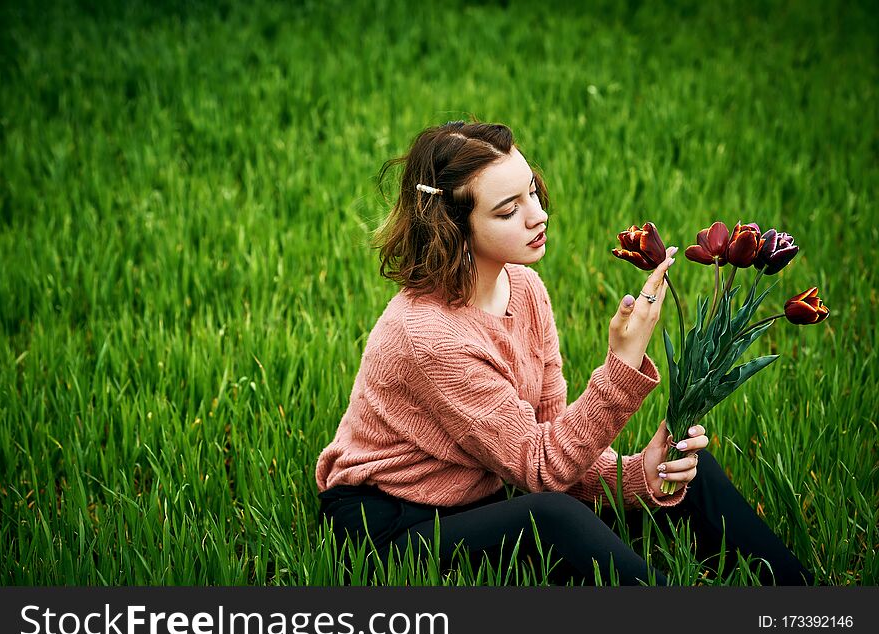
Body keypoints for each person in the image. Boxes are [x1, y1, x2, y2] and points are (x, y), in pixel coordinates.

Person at [314, 120, 814, 586]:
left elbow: (558, 447)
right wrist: (622, 364)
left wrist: (643, 473)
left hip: (485, 492)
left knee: (684, 467)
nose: (539, 214)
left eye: (532, 191)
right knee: (553, 517)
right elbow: (543, 470)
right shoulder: (429, 336)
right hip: (392, 525)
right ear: (452, 227)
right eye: (509, 209)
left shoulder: (526, 288)